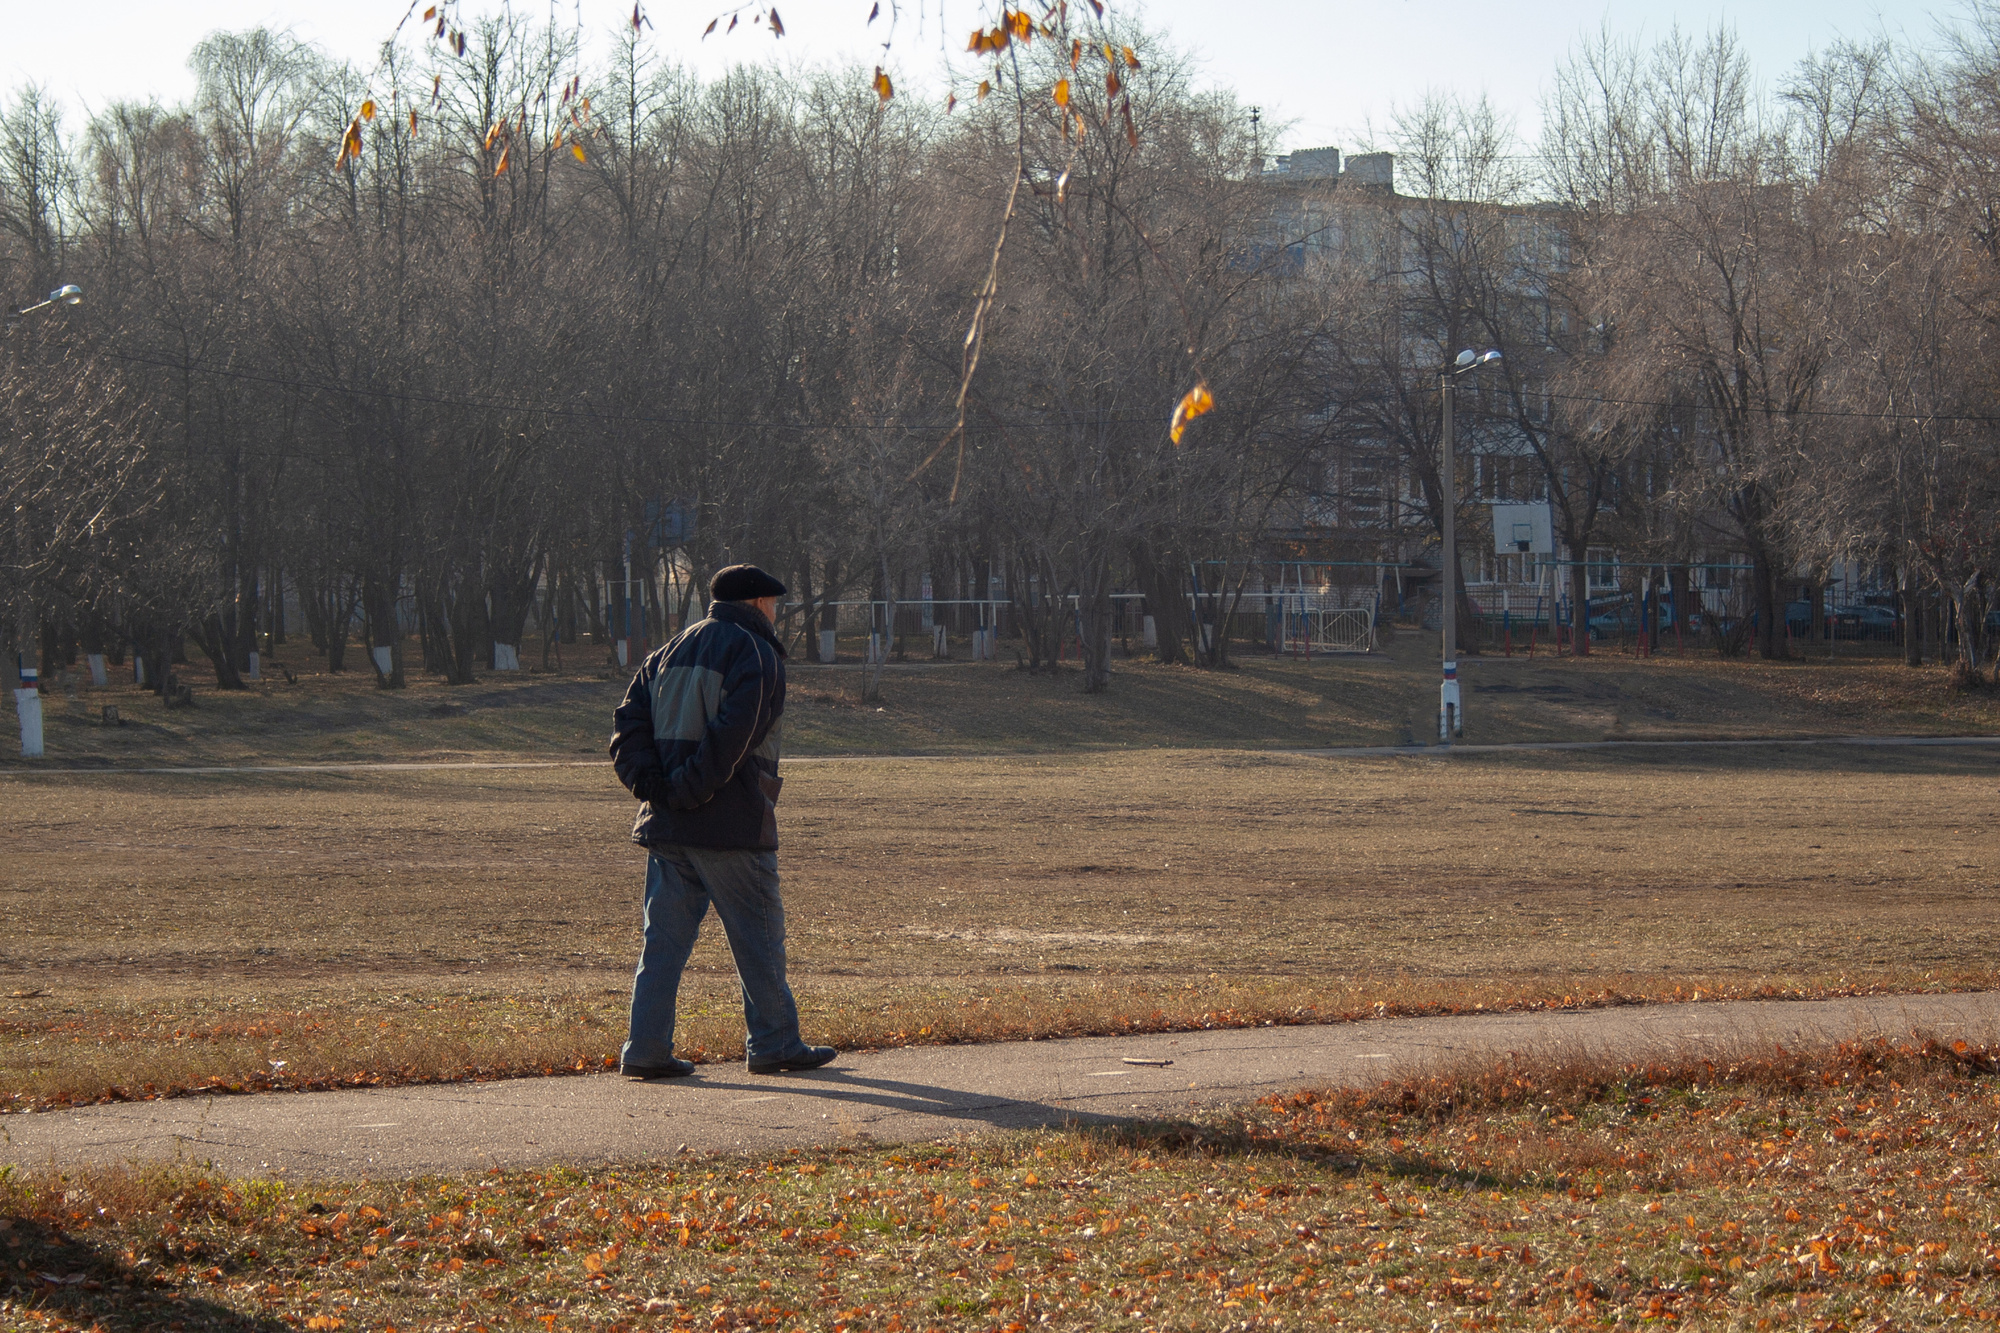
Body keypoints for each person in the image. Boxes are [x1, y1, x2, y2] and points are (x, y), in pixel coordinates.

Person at [608, 563, 836, 1078]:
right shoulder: (757, 654)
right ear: (757, 603)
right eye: (774, 605)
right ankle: (775, 1042)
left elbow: (627, 727)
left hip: (667, 825)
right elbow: (736, 739)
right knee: (758, 939)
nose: (776, 614)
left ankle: (644, 1049)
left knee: (662, 945)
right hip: (731, 824)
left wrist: (657, 791)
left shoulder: (667, 651)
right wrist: (687, 791)